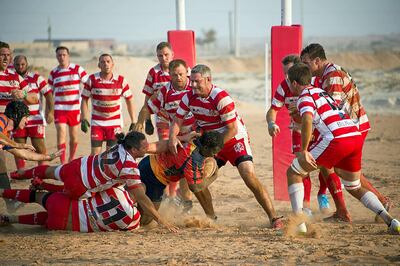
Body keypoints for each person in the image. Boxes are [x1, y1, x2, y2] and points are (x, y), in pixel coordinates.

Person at [285, 63, 400, 234]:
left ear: (294, 83)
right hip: (354, 135)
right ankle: (391, 221)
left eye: (288, 82)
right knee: (353, 185)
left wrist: (303, 150)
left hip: (337, 138)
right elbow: (321, 116)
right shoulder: (321, 92)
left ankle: (298, 223)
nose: (287, 85)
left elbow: (308, 120)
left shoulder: (304, 97)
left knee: (294, 172)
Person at [168, 64, 283, 229]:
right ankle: (211, 218)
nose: (192, 85)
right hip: (210, 141)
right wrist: (172, 137)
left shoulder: (221, 97)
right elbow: (177, 120)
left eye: (197, 82)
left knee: (248, 175)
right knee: (195, 182)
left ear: (208, 80)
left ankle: (274, 218)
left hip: (234, 139)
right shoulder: (188, 97)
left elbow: (232, 129)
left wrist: (212, 152)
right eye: (191, 81)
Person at [10, 130, 178, 232]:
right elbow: (143, 199)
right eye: (144, 147)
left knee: (49, 170)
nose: (146, 149)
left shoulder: (120, 145)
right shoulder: (129, 169)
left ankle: (20, 174)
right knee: (64, 196)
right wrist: (163, 221)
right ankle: (43, 187)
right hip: (80, 188)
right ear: (134, 149)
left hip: (78, 166)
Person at [301, 43, 391, 222]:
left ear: (317, 61)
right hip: (351, 127)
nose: (304, 67)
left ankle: (347, 211)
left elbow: (331, 108)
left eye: (306, 62)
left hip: (350, 128)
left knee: (331, 167)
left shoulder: (332, 76)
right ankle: (375, 203)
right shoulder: (327, 73)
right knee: (343, 171)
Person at [266, 54, 330, 214]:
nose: (287, 78)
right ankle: (306, 206)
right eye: (285, 73)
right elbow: (273, 110)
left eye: (290, 73)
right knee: (301, 166)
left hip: (320, 130)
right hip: (298, 129)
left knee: (325, 167)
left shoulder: (313, 84)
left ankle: (323, 193)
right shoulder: (283, 87)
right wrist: (271, 123)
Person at [138, 59, 196, 212]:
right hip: (177, 138)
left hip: (197, 136)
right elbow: (146, 108)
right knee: (182, 168)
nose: (178, 78)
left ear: (187, 72)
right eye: (175, 75)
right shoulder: (164, 91)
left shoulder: (195, 87)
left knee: (191, 174)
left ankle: (186, 200)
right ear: (169, 75)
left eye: (181, 74)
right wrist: (140, 124)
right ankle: (183, 202)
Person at [139, 131, 224, 225]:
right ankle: (126, 208)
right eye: (213, 152)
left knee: (201, 186)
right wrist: (214, 176)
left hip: (149, 162)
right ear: (206, 147)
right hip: (153, 176)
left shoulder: (195, 138)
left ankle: (212, 217)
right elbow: (195, 187)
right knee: (145, 221)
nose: (214, 155)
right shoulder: (192, 159)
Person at [0, 186, 142, 232]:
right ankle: (10, 219)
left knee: (36, 196)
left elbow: (78, 190)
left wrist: (46, 185)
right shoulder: (135, 219)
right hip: (66, 226)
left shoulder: (116, 189)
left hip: (62, 205)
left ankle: (2, 192)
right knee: (46, 220)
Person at [81, 54, 136, 155]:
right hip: (97, 123)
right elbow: (84, 99)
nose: (106, 64)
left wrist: (133, 121)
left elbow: (129, 100)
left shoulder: (121, 80)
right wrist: (83, 118)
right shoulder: (92, 79)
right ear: (99, 65)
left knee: (111, 155)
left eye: (108, 61)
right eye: (102, 62)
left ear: (112, 64)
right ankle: (95, 171)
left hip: (115, 124)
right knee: (95, 155)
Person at [11, 55, 54, 172]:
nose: (20, 67)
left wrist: (51, 112)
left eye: (22, 64)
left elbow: (49, 95)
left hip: (35, 119)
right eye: (17, 64)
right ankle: (21, 173)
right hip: (17, 120)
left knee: (40, 149)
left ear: (27, 64)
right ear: (13, 65)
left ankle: (42, 173)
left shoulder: (36, 78)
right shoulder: (10, 79)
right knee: (18, 149)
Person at [48, 46, 89, 163]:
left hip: (75, 109)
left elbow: (89, 84)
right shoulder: (54, 73)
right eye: (59, 55)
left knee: (74, 136)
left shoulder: (77, 69)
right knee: (61, 132)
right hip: (59, 108)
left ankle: (71, 159)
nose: (61, 57)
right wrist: (49, 111)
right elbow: (49, 93)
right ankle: (62, 162)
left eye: (64, 55)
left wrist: (84, 108)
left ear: (68, 56)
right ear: (56, 57)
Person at [135, 41, 174, 139]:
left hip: (181, 116)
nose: (164, 58)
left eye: (166, 54)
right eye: (160, 56)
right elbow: (148, 97)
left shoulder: (183, 69)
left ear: (172, 54)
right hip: (162, 116)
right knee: (164, 145)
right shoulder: (153, 72)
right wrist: (147, 120)